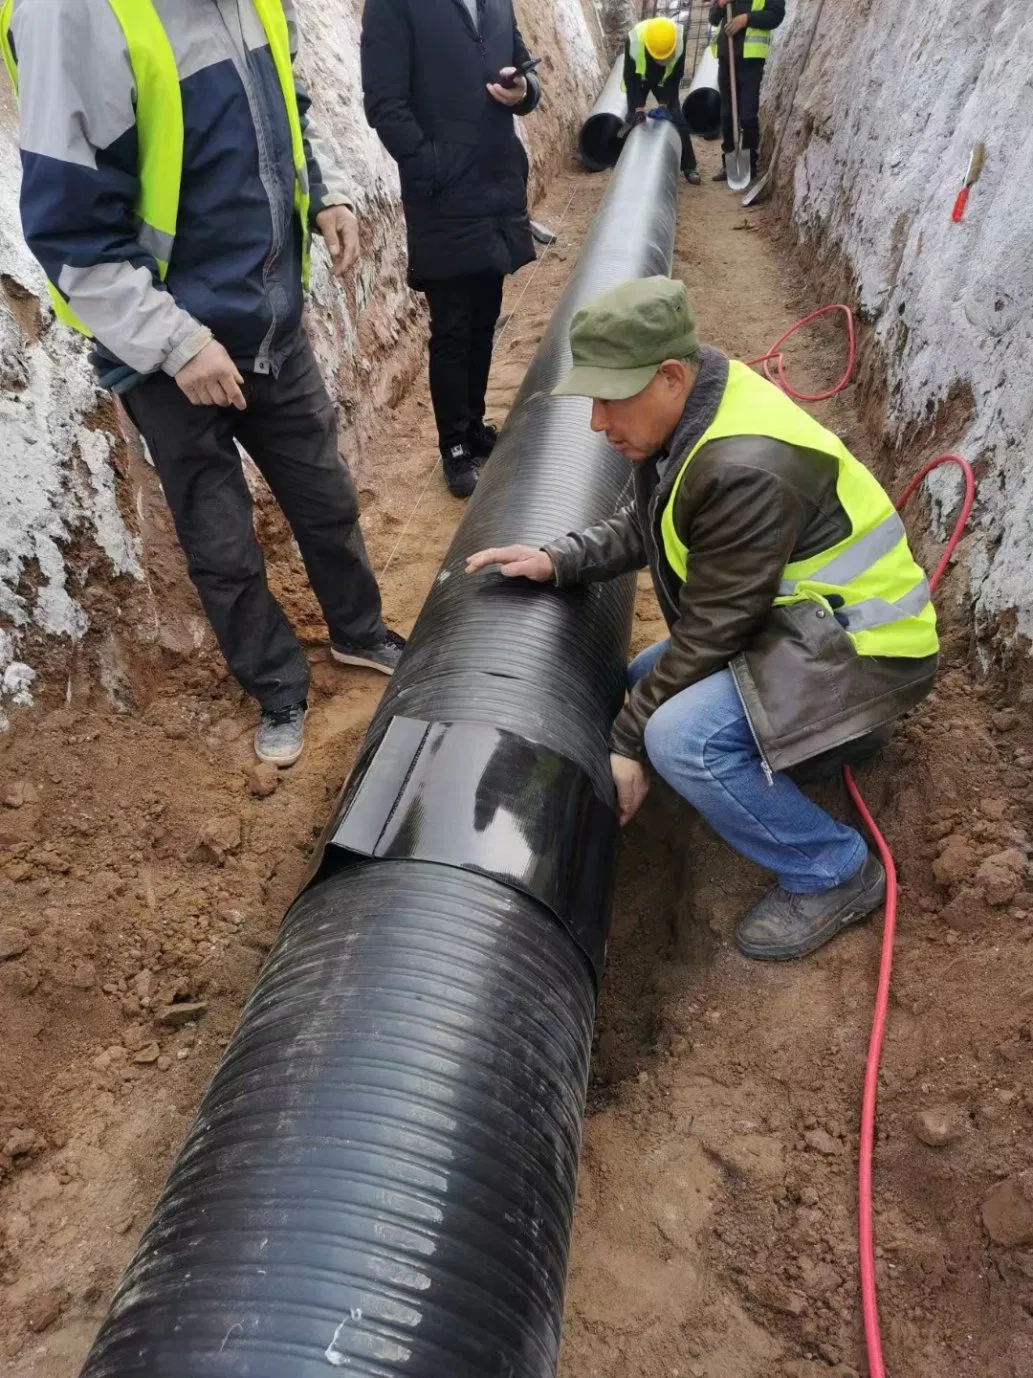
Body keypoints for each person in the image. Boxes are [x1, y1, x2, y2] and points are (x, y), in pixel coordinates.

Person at [466, 277, 940, 961]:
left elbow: (717, 627)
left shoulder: (746, 463)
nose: (597, 423)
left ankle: (833, 869)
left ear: (667, 376)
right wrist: (558, 559)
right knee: (644, 677)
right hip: (803, 631)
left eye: (608, 398)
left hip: (867, 650)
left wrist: (628, 745)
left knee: (680, 738)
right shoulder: (698, 411)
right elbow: (655, 525)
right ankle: (830, 745)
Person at [2, 0, 404, 771]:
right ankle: (277, 685)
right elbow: (71, 232)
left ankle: (358, 633)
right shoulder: (74, 18)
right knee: (220, 539)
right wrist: (177, 342)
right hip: (168, 351)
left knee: (324, 496)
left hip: (269, 323)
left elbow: (282, 109)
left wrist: (325, 191)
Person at [361, 0, 542, 500]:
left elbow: (526, 74)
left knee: (486, 314)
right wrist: (431, 164)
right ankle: (454, 446)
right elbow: (384, 102)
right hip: (443, 193)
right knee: (454, 325)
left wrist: (523, 90)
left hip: (496, 182)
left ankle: (475, 423)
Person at [709, 0, 785, 183]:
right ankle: (729, 163)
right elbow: (713, 19)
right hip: (727, 57)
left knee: (748, 115)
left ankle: (750, 165)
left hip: (751, 60)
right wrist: (720, 5)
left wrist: (746, 19)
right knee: (727, 114)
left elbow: (776, 16)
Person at [622, 16, 701, 186]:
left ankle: (689, 167)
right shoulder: (634, 39)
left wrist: (665, 103)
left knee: (676, 118)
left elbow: (676, 74)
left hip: (665, 79)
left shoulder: (679, 37)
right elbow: (630, 77)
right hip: (640, 78)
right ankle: (627, 167)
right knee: (631, 119)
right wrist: (637, 107)